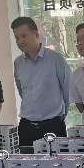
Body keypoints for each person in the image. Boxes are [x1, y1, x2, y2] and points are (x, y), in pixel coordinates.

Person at [11, 16, 71, 153]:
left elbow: (67, 90)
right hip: (27, 126)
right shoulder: (18, 63)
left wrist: (61, 115)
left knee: (57, 164)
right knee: (27, 163)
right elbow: (22, 92)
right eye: (17, 38)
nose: (20, 41)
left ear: (36, 34)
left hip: (52, 125)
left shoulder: (55, 59)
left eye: (24, 36)